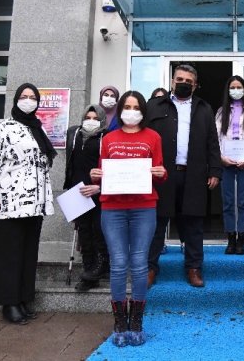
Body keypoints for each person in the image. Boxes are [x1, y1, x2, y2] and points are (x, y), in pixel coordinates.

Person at [90, 90, 167, 347]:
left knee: (139, 263)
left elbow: (160, 171)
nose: (131, 111)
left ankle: (137, 322)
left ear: (143, 111)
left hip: (144, 206)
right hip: (112, 208)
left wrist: (160, 172)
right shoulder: (109, 138)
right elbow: (102, 172)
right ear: (121, 109)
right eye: (127, 106)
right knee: (119, 263)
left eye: (136, 107)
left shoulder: (153, 137)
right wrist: (95, 175)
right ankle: (119, 322)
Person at [0, 83, 57, 325]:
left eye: (33, 97)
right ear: (16, 100)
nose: (28, 100)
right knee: (9, 255)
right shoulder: (5, 128)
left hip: (34, 206)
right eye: (24, 96)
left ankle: (23, 299)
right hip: (7, 203)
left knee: (27, 254)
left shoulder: (37, 128)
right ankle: (9, 303)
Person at [146, 64, 222, 288]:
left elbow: (212, 142)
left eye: (189, 81)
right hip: (162, 175)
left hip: (194, 175)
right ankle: (150, 268)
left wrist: (215, 170)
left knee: (193, 225)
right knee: (157, 223)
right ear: (172, 81)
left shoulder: (204, 108)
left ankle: (194, 268)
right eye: (180, 79)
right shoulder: (154, 106)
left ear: (195, 85)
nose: (184, 83)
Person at [63, 105, 109, 292]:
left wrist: (101, 187)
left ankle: (100, 268)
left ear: (102, 120)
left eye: (95, 118)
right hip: (78, 190)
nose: (91, 120)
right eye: (87, 117)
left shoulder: (105, 138)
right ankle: (88, 273)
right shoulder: (74, 134)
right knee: (84, 233)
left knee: (98, 230)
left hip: (97, 190)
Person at [215, 75, 244, 255]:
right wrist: (221, 157)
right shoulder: (221, 112)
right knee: (228, 201)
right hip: (226, 162)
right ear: (228, 90)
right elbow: (216, 138)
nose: (236, 90)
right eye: (233, 87)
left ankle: (242, 240)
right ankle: (230, 239)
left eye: (239, 87)